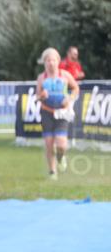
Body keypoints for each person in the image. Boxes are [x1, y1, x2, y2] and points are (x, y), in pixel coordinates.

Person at [36, 47, 80, 178]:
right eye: (48, 60)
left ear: (58, 61)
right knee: (49, 143)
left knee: (61, 144)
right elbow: (37, 97)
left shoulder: (65, 75)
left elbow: (76, 88)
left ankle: (61, 158)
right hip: (47, 112)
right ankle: (52, 171)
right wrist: (41, 96)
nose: (51, 63)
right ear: (44, 62)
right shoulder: (41, 78)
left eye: (53, 60)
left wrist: (69, 98)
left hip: (62, 113)